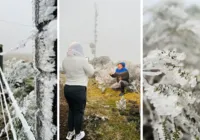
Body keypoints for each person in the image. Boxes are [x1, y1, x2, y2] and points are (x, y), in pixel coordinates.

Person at [62, 42, 94, 140]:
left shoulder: (65, 60)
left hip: (68, 88)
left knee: (71, 110)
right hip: (79, 89)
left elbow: (66, 71)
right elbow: (91, 72)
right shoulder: (82, 60)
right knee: (79, 112)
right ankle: (78, 134)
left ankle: (70, 132)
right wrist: (87, 63)